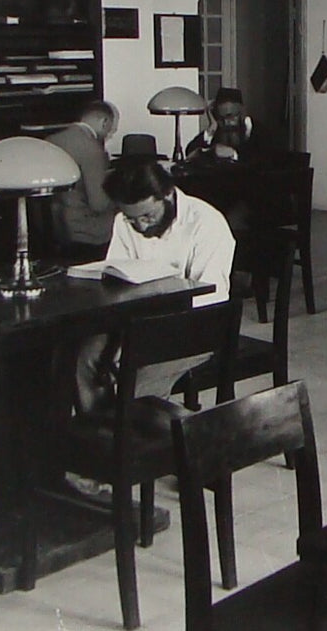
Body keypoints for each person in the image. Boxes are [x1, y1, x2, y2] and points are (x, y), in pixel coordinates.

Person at [74, 158, 236, 414]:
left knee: (136, 377)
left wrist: (140, 338)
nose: (141, 226)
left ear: (168, 195)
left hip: (194, 325)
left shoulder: (206, 222)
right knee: (84, 358)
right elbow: (117, 279)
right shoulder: (123, 222)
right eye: (131, 219)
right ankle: (104, 433)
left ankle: (140, 440)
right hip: (136, 320)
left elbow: (210, 298)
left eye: (148, 215)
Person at [46, 100, 120, 259]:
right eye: (111, 130)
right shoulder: (92, 148)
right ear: (104, 122)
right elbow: (99, 204)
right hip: (88, 233)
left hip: (56, 227)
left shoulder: (51, 141)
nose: (109, 135)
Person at [185, 87, 259, 161]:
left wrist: (233, 153)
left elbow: (262, 159)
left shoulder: (258, 132)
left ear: (241, 113)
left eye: (231, 117)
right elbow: (190, 152)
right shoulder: (216, 131)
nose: (226, 122)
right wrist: (211, 129)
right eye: (221, 118)